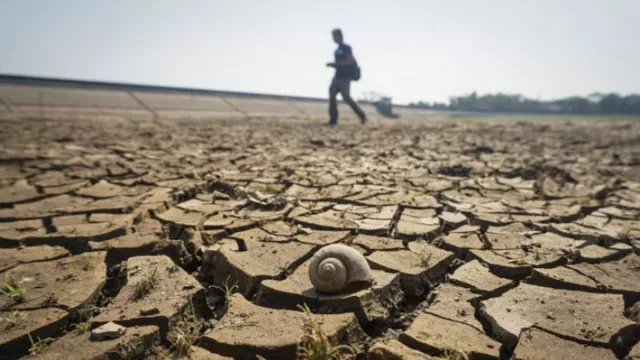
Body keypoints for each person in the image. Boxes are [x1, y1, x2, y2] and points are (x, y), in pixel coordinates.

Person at [326, 28, 366, 125]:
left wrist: (336, 64)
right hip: (337, 76)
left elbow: (350, 61)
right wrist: (334, 65)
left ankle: (362, 115)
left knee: (346, 97)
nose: (333, 38)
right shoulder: (337, 50)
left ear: (339, 36)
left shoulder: (346, 48)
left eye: (334, 36)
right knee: (332, 95)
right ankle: (333, 119)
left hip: (345, 77)